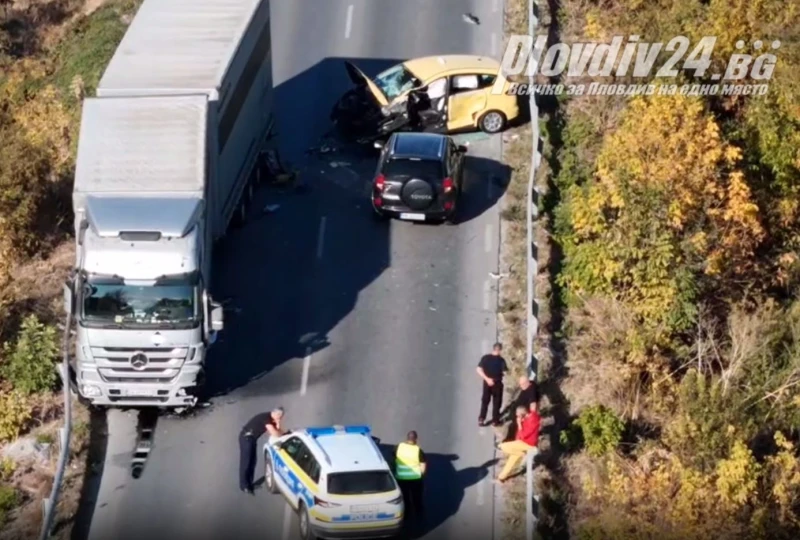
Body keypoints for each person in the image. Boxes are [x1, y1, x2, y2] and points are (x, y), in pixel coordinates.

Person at [239, 407, 286, 494]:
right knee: (246, 462)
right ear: (276, 414)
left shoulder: (271, 419)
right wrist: (278, 428)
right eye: (280, 416)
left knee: (253, 461)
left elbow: (278, 431)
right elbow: (274, 433)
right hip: (246, 438)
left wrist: (278, 423)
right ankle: (244, 486)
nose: (280, 418)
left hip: (252, 439)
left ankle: (250, 484)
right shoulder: (266, 418)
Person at [496, 404, 541, 483]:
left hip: (528, 443)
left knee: (502, 446)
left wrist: (519, 424)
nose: (517, 417)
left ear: (522, 414)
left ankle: (523, 455)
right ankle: (501, 477)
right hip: (522, 441)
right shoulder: (529, 416)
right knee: (512, 460)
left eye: (518, 415)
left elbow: (523, 435)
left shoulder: (532, 421)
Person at [394, 430, 427, 521]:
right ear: (416, 439)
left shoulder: (398, 447)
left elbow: (393, 459)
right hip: (415, 479)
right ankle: (419, 514)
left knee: (405, 497)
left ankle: (406, 513)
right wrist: (421, 476)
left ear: (407, 438)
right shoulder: (418, 450)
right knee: (417, 497)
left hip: (401, 478)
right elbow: (423, 466)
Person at [476, 343, 508, 426]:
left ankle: (481, 419)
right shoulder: (501, 360)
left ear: (493, 349)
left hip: (487, 383)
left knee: (485, 401)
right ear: (500, 350)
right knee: (496, 402)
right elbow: (505, 372)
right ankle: (495, 420)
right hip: (497, 383)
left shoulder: (485, 358)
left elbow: (478, 369)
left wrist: (487, 379)